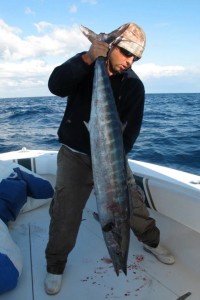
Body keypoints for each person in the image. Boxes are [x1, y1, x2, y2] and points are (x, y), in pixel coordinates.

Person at [44, 22, 175, 295]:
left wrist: (111, 162)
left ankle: (151, 242)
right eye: (126, 53)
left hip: (112, 158)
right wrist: (90, 57)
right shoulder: (86, 64)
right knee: (65, 214)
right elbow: (56, 86)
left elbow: (130, 133)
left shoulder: (134, 87)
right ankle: (55, 266)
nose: (130, 61)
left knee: (132, 206)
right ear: (111, 46)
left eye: (135, 58)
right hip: (75, 155)